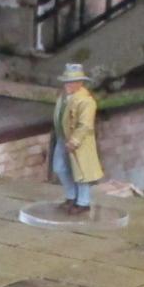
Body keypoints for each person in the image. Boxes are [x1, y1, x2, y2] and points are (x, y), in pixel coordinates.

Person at [52, 61, 105, 214]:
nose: (68, 85)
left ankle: (83, 202)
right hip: (63, 138)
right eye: (66, 81)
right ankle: (71, 196)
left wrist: (75, 140)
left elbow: (85, 124)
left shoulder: (86, 101)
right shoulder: (63, 97)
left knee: (81, 173)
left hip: (79, 143)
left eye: (72, 82)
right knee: (60, 167)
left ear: (80, 83)